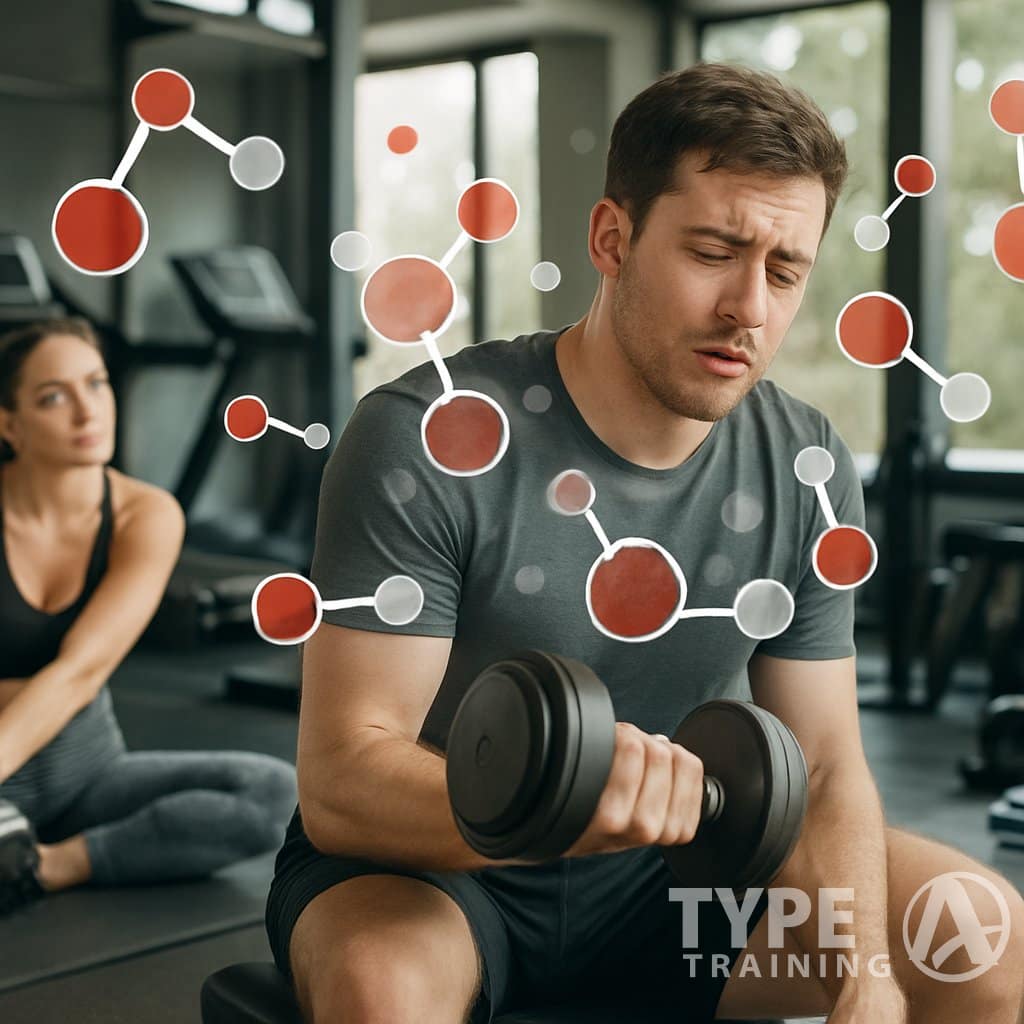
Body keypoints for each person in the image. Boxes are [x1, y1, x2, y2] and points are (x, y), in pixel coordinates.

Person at [267, 62, 1024, 1024]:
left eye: (785, 271)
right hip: (442, 876)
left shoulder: (806, 466)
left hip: (676, 888)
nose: (751, 307)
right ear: (612, 239)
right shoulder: (428, 433)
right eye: (714, 251)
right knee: (384, 991)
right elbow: (343, 778)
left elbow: (826, 762)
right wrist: (565, 805)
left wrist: (863, 969)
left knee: (984, 943)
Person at [0, 316, 296, 916]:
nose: (88, 412)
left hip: (85, 773)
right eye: (54, 397)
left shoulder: (145, 515)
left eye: (98, 384)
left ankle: (44, 865)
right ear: (8, 423)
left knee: (273, 792)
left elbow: (80, 671)